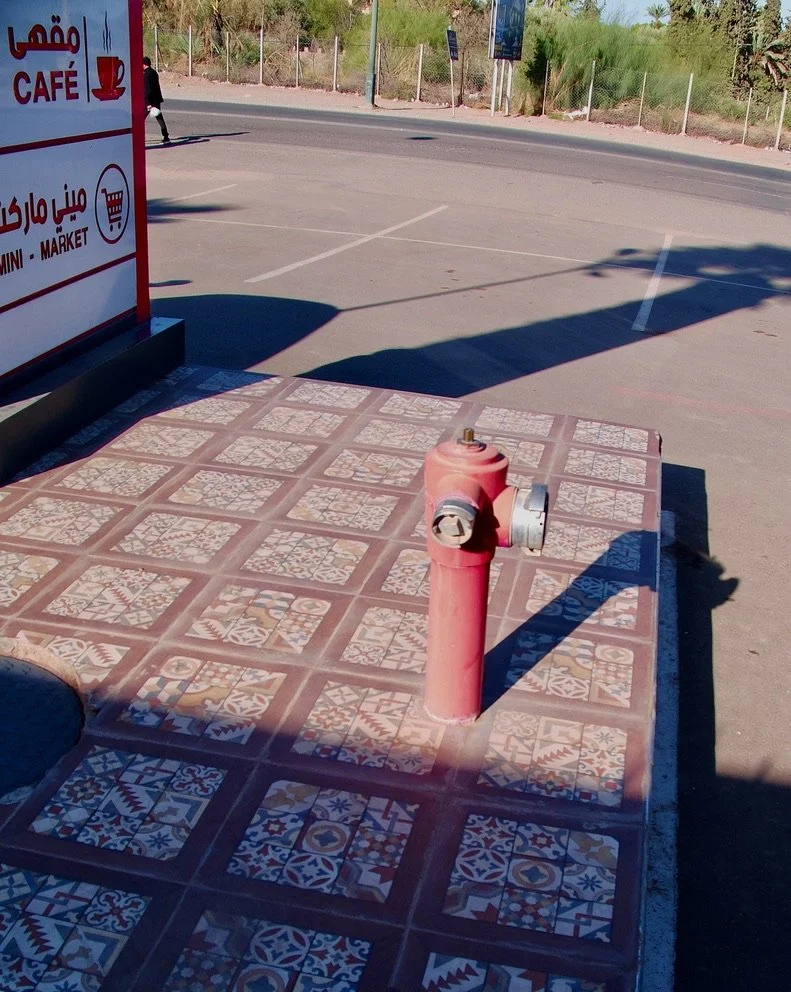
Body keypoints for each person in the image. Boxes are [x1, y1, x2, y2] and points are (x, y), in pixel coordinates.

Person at [143, 56, 171, 144]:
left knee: (140, 119)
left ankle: (138, 137)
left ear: (143, 64)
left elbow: (148, 89)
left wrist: (147, 103)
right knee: (159, 118)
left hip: (150, 101)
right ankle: (166, 136)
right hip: (156, 99)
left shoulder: (146, 74)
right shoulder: (154, 72)